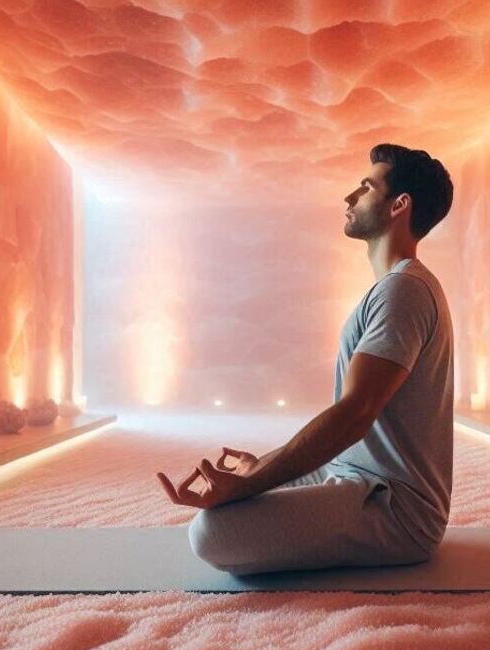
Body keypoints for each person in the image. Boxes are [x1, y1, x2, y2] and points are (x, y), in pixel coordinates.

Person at [158, 143, 455, 575]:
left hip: (395, 508)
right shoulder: (395, 287)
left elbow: (355, 412)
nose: (350, 197)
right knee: (235, 502)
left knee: (211, 534)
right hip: (351, 474)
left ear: (399, 205)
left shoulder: (404, 290)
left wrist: (251, 484)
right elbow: (349, 424)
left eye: (366, 187)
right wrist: (260, 468)